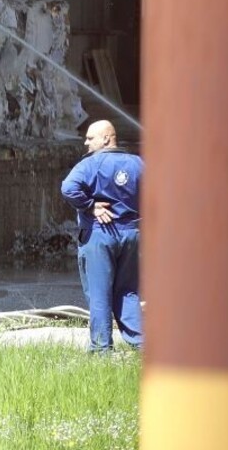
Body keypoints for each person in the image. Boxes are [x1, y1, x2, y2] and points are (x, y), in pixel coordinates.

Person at [60, 119, 144, 352]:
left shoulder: (90, 164)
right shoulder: (137, 163)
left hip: (100, 236)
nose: (85, 143)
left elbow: (68, 188)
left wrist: (89, 206)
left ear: (107, 138)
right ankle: (142, 344)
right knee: (128, 291)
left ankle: (101, 349)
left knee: (99, 293)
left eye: (90, 138)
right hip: (131, 235)